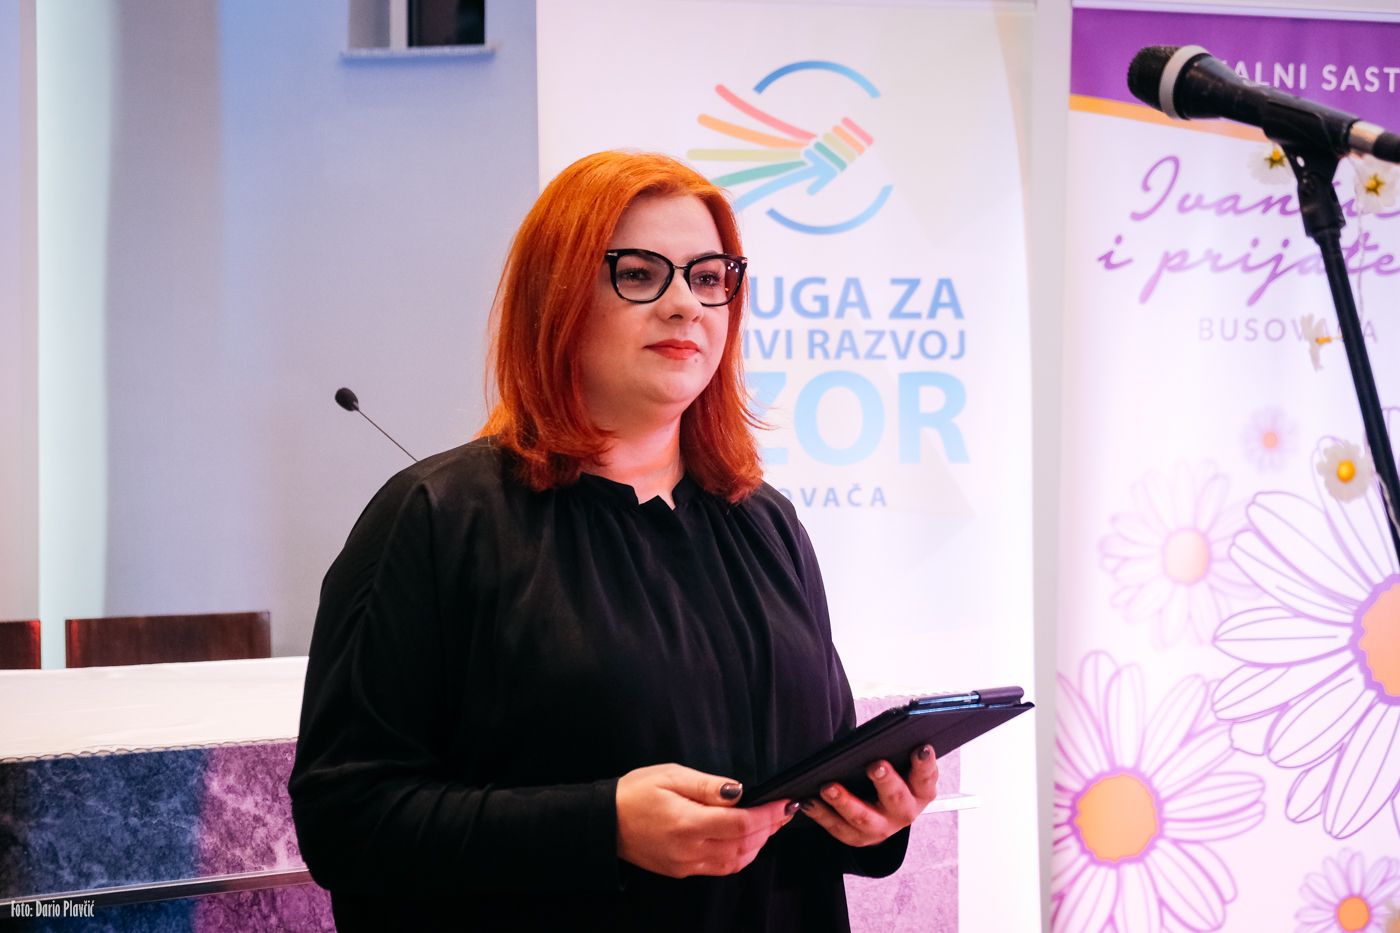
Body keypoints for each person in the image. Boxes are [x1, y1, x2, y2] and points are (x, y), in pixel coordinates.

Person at [288, 151, 939, 932]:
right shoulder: (435, 518)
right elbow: (347, 821)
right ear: (556, 298)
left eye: (708, 277)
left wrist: (869, 820)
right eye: (639, 273)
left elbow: (803, 784)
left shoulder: (767, 523)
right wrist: (604, 826)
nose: (684, 304)